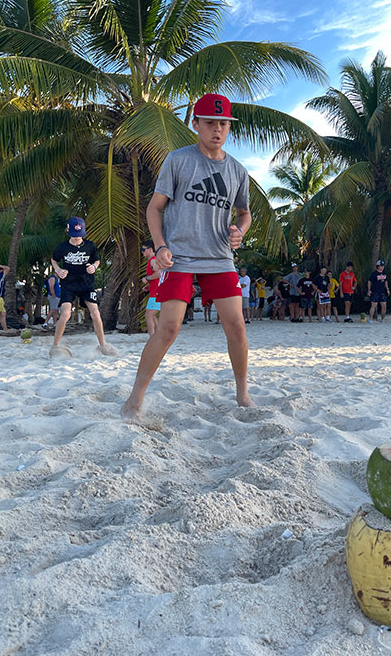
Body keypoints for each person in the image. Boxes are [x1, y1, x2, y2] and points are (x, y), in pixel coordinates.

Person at [120, 93, 253, 420]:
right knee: (168, 328)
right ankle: (135, 399)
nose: (217, 129)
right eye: (210, 123)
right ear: (196, 124)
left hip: (220, 258)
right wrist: (161, 246)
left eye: (223, 124)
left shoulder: (237, 170)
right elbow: (155, 208)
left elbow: (244, 213)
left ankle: (242, 392)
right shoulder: (178, 160)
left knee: (236, 326)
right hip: (178, 257)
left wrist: (240, 231)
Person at [50, 217, 114, 356]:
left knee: (95, 313)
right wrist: (59, 270)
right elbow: (54, 259)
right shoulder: (62, 247)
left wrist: (94, 267)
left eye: (79, 235)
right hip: (69, 283)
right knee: (66, 313)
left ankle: (103, 345)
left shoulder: (90, 246)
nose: (77, 238)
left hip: (87, 283)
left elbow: (96, 260)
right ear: (68, 231)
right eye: (74, 235)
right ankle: (55, 346)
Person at [141, 239, 161, 337]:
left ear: (150, 249)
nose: (142, 252)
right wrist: (149, 286)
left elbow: (159, 273)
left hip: (156, 292)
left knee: (149, 315)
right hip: (154, 291)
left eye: (143, 249)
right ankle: (157, 336)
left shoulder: (153, 260)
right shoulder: (152, 260)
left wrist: (147, 278)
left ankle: (153, 337)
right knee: (151, 315)